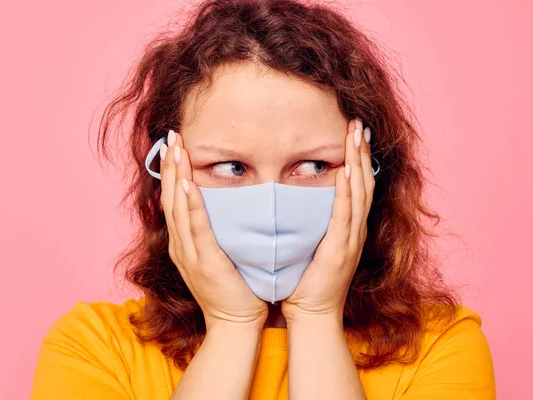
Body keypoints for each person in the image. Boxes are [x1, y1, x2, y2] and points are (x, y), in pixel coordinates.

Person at [31, 0, 495, 398]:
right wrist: (232, 325)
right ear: (166, 173)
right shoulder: (92, 347)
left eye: (313, 166)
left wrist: (316, 319)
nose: (271, 205)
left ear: (371, 171)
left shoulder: (442, 345)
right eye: (231, 167)